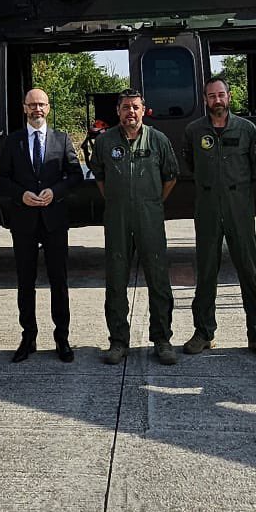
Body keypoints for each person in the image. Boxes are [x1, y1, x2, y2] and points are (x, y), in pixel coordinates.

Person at [182, 78, 256, 359]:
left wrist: (236, 186)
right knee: (206, 270)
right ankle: (203, 332)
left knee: (248, 269)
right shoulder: (194, 131)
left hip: (238, 207)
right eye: (212, 96)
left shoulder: (246, 129)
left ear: (229, 97)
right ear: (206, 99)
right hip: (208, 206)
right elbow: (190, 163)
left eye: (221, 95)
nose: (217, 100)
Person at [89, 89, 182, 365]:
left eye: (136, 107)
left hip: (149, 217)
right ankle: (118, 341)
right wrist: (120, 202)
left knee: (158, 279)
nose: (131, 112)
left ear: (144, 110)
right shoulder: (105, 142)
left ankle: (162, 339)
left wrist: (151, 202)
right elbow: (100, 177)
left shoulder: (158, 140)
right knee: (116, 279)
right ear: (118, 111)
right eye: (126, 107)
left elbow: (171, 176)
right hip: (117, 218)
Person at [0, 87, 83, 362]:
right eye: (32, 105)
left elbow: (74, 175)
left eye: (42, 105)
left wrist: (55, 192)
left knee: (59, 281)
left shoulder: (62, 139)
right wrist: (20, 194)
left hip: (54, 220)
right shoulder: (13, 141)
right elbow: (3, 178)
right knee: (25, 281)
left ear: (48, 108)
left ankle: (62, 338)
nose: (37, 109)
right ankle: (28, 337)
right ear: (24, 108)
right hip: (23, 220)